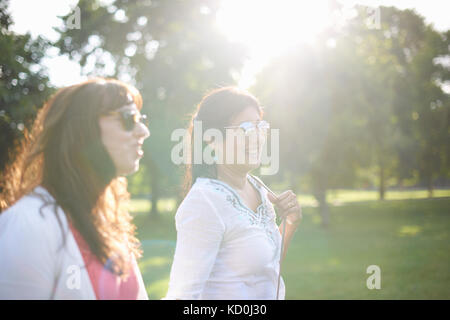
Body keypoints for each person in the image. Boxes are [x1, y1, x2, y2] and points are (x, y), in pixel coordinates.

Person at [0, 78, 150, 299]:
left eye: (141, 119)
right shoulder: (27, 225)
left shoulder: (106, 224)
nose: (143, 131)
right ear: (82, 129)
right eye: (129, 118)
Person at [163, 87, 302, 300]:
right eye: (246, 128)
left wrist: (290, 223)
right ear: (211, 138)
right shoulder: (204, 202)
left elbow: (267, 268)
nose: (256, 137)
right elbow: (182, 296)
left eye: (260, 126)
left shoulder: (258, 188)